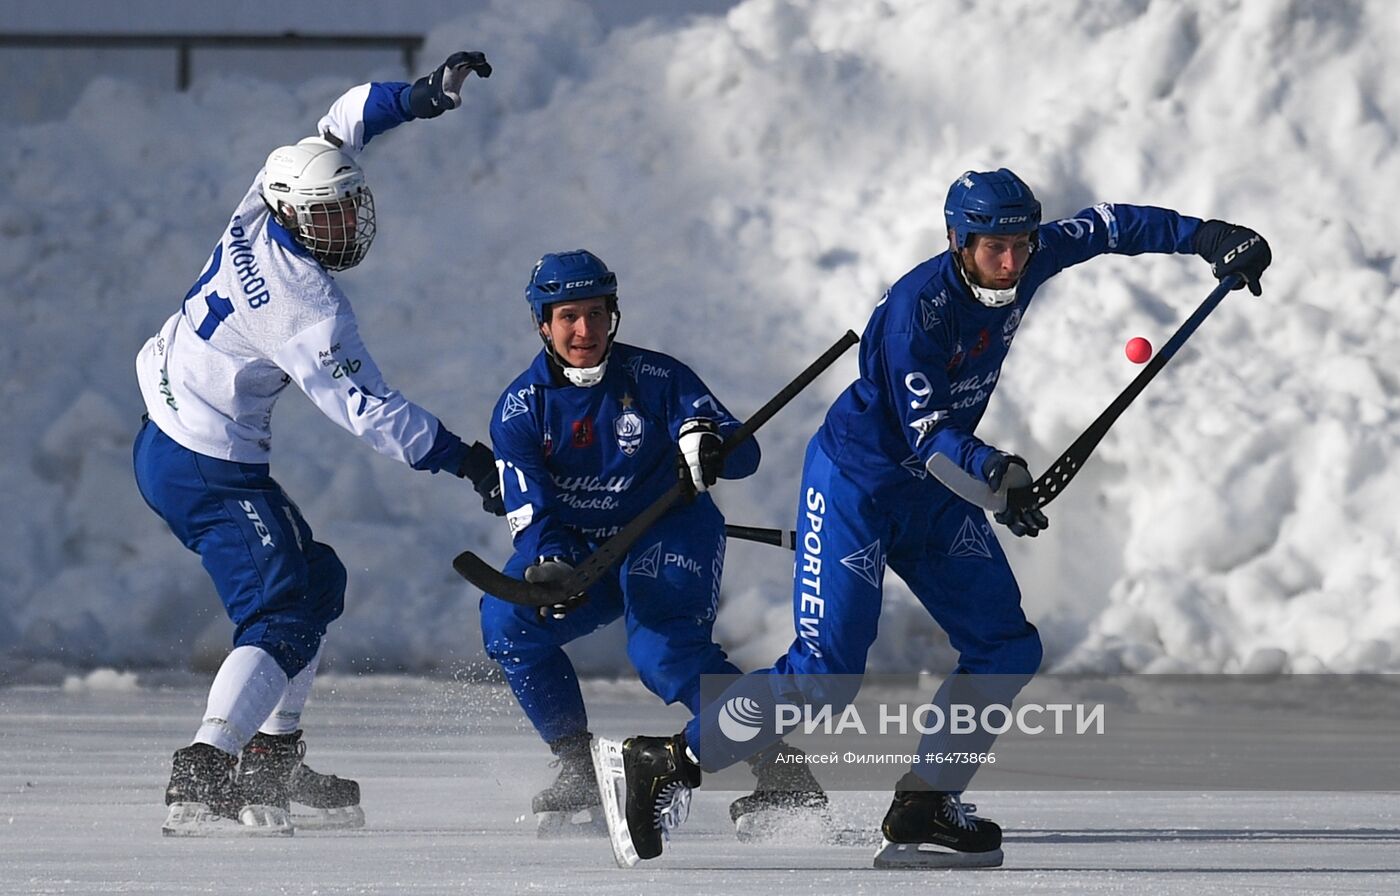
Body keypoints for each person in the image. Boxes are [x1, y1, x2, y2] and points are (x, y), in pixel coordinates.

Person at [595, 169, 1273, 867]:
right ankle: (666, 762)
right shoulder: (919, 312)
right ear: (958, 241)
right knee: (826, 673)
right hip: (859, 484)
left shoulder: (1028, 253)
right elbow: (932, 435)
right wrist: (994, 477)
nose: (1010, 265)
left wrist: (1211, 238)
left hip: (935, 493)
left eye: (1020, 246)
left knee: (1006, 648)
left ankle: (925, 803)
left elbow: (1109, 226)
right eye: (993, 250)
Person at [133, 52, 504, 836]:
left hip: (173, 436)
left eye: (350, 205)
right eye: (330, 215)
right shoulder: (307, 310)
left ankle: (274, 761)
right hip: (206, 464)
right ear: (294, 213)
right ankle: (204, 769)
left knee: (318, 580)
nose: (348, 223)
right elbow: (369, 410)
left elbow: (343, 119)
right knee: (284, 611)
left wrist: (420, 97)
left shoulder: (258, 204)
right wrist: (468, 460)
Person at [481, 249, 826, 837]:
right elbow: (531, 509)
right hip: (583, 551)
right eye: (568, 317)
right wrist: (550, 563)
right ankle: (577, 767)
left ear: (613, 315)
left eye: (596, 314)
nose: (584, 331)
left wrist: (706, 440)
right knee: (508, 623)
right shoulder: (519, 411)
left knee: (665, 654)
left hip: (669, 531)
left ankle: (783, 772)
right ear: (543, 324)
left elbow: (745, 453)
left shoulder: (659, 378)